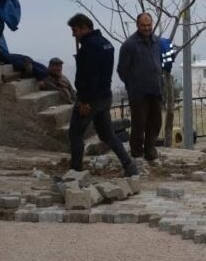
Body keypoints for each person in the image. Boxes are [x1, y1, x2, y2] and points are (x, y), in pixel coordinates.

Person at [67, 14, 138, 176]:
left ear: (84, 27)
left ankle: (75, 172)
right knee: (107, 135)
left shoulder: (88, 48)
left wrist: (84, 101)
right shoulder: (106, 44)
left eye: (75, 30)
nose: (73, 34)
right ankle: (129, 166)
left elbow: (89, 77)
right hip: (105, 97)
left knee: (75, 133)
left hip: (91, 100)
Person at [117, 12, 173, 161]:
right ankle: (136, 153)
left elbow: (161, 63)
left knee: (155, 123)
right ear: (137, 25)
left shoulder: (157, 42)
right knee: (139, 124)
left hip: (155, 90)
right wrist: (133, 84)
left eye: (149, 25)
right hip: (138, 93)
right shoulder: (129, 45)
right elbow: (122, 70)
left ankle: (150, 151)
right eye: (143, 25)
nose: (147, 28)